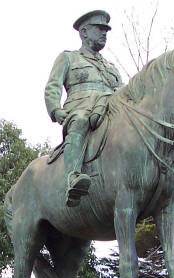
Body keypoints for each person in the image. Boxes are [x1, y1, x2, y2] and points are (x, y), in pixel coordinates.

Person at [45, 10, 123, 207]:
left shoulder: (111, 67)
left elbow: (122, 91)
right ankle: (73, 178)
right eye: (99, 29)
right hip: (81, 109)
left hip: (110, 109)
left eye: (106, 30)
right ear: (84, 32)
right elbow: (52, 86)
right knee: (79, 121)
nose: (104, 33)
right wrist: (56, 110)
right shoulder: (68, 58)